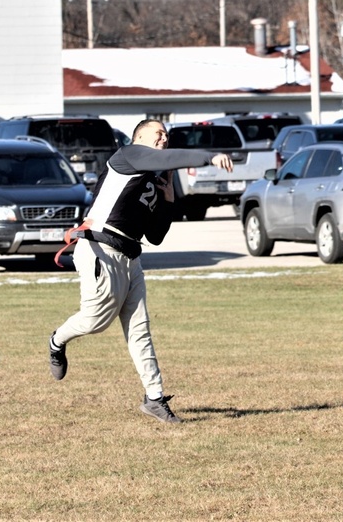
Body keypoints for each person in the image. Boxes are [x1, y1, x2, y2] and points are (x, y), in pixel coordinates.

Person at [48, 119, 233, 423]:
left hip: (131, 256)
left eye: (166, 134)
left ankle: (154, 398)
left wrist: (169, 199)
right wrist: (208, 156)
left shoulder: (150, 179)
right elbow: (166, 158)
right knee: (95, 322)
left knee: (139, 330)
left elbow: (156, 235)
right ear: (139, 137)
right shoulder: (128, 155)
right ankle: (56, 341)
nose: (164, 138)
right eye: (158, 133)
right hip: (100, 250)